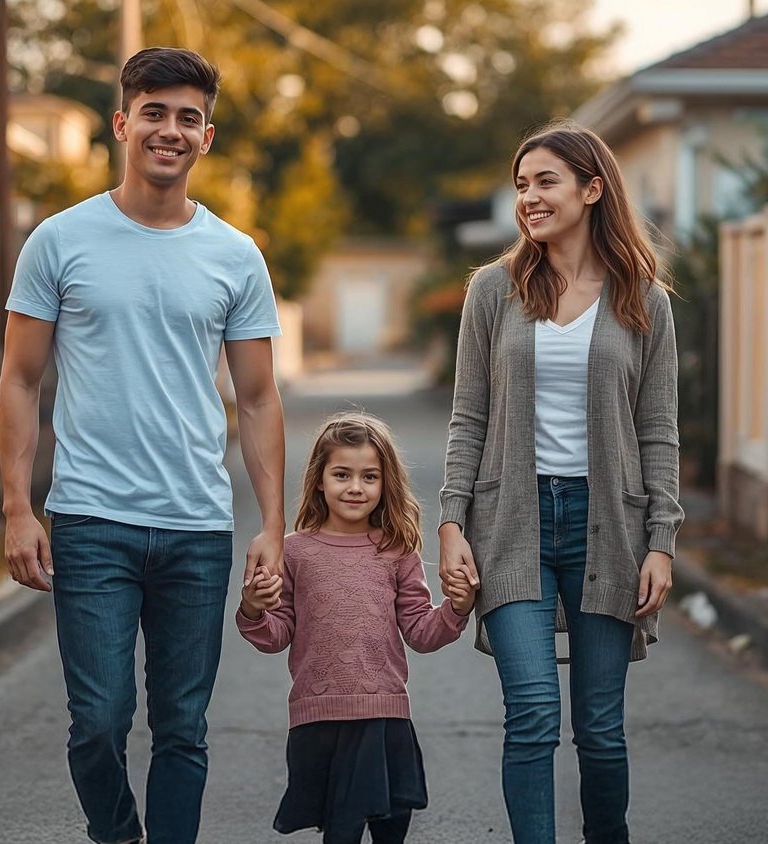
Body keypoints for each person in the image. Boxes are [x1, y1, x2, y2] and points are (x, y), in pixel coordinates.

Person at [0, 46, 287, 844]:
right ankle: (118, 833)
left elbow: (258, 398)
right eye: (153, 112)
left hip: (197, 524)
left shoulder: (234, 255)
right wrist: (18, 510)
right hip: (92, 519)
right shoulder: (60, 241)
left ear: (207, 136)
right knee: (97, 720)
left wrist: (272, 526)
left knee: (183, 728)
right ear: (122, 123)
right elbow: (19, 380)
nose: (170, 129)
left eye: (187, 117)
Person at [435, 119, 684, 844]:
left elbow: (659, 432)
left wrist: (661, 541)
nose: (529, 198)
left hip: (609, 526)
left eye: (545, 181)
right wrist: (452, 524)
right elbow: (467, 418)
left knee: (601, 730)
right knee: (534, 713)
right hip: (511, 525)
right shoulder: (493, 291)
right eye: (521, 185)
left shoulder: (645, 301)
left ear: (592, 188)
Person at [237, 412, 474, 844]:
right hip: (319, 718)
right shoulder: (295, 552)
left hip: (383, 716)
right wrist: (253, 610)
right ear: (320, 479)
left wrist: (456, 608)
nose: (355, 487)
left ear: (385, 484)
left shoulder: (397, 550)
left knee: (392, 823)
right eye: (342, 474)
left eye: (369, 477)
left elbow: (421, 630)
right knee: (341, 831)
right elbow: (276, 634)